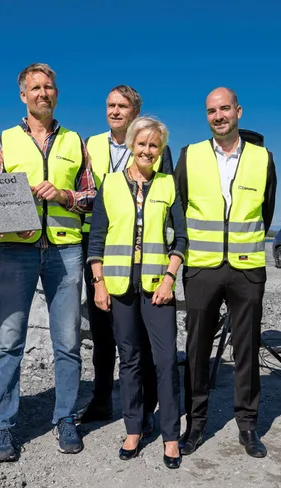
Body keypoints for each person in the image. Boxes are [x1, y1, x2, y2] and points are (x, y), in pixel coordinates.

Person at [0, 63, 96, 462]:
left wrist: (65, 195)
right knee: (9, 341)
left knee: (67, 343)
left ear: (56, 94)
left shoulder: (74, 141)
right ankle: (0, 427)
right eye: (35, 87)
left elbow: (91, 197)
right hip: (17, 251)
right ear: (23, 95)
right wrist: (10, 204)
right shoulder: (4, 141)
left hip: (65, 250)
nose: (42, 93)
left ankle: (65, 417)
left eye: (48, 87)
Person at [175, 87, 277, 458]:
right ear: (207, 116)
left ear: (239, 111)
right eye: (211, 111)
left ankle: (248, 426)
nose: (219, 116)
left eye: (225, 109)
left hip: (247, 269)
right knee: (197, 348)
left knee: (247, 350)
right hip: (202, 268)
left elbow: (266, 213)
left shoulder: (263, 158)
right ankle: (195, 423)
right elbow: (180, 206)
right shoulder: (190, 155)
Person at [87, 116, 186, 469]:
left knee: (164, 362)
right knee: (128, 360)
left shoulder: (168, 186)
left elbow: (181, 239)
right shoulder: (110, 184)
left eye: (154, 145)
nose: (147, 150)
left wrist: (170, 279)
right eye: (142, 144)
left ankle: (171, 435)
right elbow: (96, 238)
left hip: (158, 288)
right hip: (119, 288)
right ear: (131, 144)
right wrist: (98, 283)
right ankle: (133, 428)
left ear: (161, 150)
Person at [78, 85, 175, 430]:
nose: (115, 111)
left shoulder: (156, 147)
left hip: (143, 251)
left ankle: (146, 408)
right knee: (102, 330)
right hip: (99, 241)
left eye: (123, 106)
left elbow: (166, 197)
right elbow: (83, 188)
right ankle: (102, 399)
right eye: (110, 105)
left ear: (136, 113)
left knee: (142, 337)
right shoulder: (90, 144)